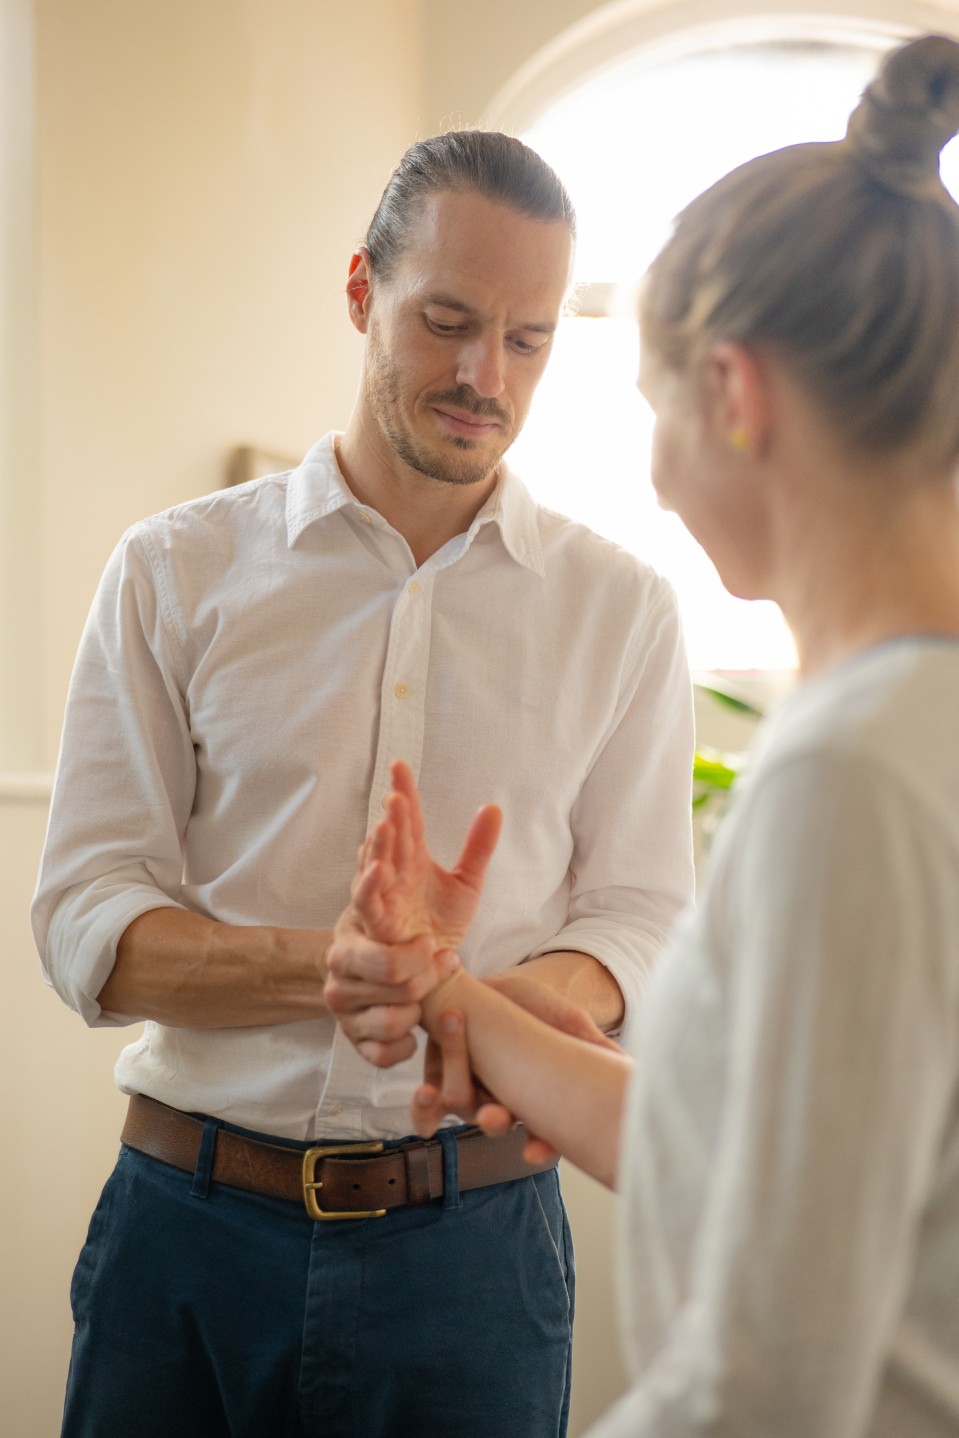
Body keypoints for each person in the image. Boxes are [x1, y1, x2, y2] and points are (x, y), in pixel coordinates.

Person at [333, 35, 959, 1438]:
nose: (659, 477)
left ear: (732, 396)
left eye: (649, 404)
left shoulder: (853, 774)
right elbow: (754, 1157)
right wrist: (454, 995)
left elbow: (767, 1383)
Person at [31, 129, 695, 1438]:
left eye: (526, 339)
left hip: (476, 1261)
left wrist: (453, 1003)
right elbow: (86, 922)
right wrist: (346, 969)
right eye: (445, 320)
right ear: (359, 293)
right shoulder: (173, 570)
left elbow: (640, 921)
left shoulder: (624, 610)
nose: (479, 373)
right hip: (185, 1238)